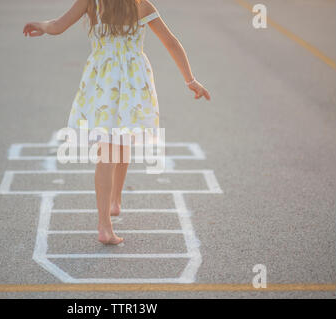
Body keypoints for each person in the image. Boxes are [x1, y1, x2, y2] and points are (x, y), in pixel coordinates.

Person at [23, 0, 211, 245]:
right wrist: (190, 80)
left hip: (103, 80)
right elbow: (171, 42)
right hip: (133, 81)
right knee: (122, 142)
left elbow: (59, 25)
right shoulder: (141, 5)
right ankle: (110, 213)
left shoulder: (92, 2)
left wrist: (42, 25)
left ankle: (110, 212)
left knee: (108, 150)